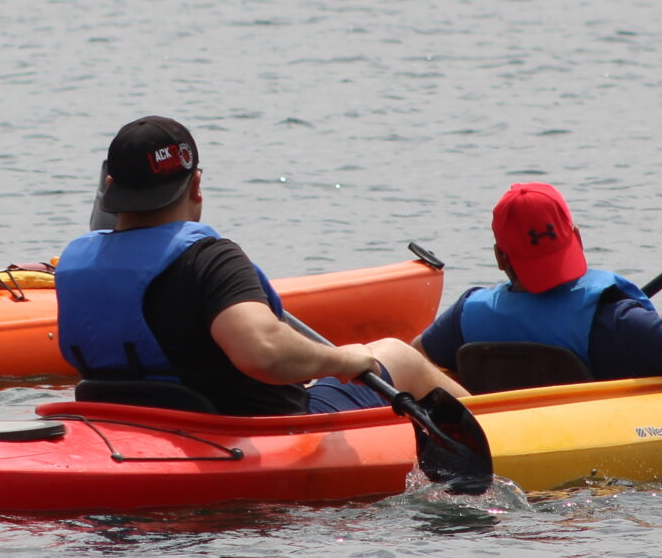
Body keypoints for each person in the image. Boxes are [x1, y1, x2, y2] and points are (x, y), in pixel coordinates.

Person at [55, 117, 476, 478]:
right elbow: (263, 351)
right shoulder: (210, 259)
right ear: (196, 184)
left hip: (126, 424)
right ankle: (503, 428)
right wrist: (346, 359)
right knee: (395, 354)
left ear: (110, 187)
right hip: (253, 432)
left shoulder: (75, 262)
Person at [416, 182, 662, 387]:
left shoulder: (466, 315)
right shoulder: (618, 322)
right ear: (575, 238)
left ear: (500, 258)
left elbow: (410, 362)